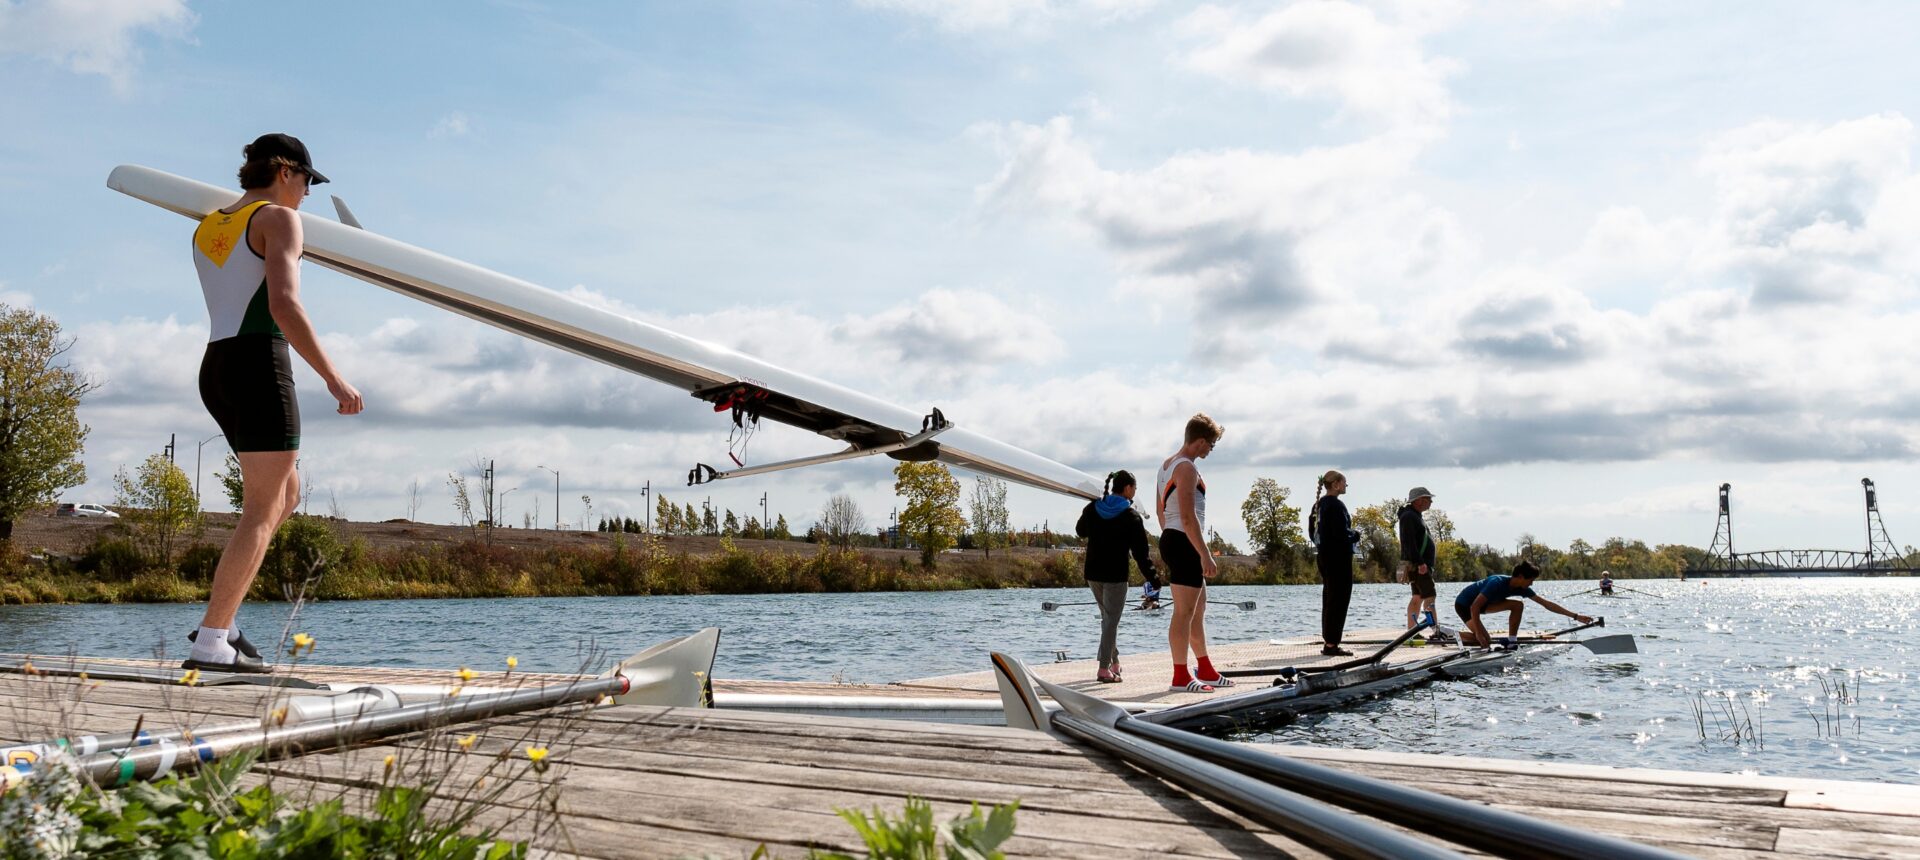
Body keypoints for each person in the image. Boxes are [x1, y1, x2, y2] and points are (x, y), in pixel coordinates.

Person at [183, 134, 363, 672]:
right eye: (307, 180)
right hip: (259, 362)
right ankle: (212, 641)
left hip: (218, 365)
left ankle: (224, 620)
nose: (307, 193)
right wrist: (333, 378)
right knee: (263, 508)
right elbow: (283, 303)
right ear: (285, 171)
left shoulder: (211, 225)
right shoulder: (280, 221)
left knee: (285, 495)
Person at [1158, 413, 1228, 693]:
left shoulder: (1167, 465)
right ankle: (1180, 676)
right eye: (1211, 443)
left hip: (1175, 537)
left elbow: (1161, 510)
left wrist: (1170, 537)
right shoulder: (1186, 468)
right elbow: (1188, 517)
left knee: (1197, 610)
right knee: (1184, 612)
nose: (1211, 449)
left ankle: (1206, 669)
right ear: (1200, 441)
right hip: (1184, 539)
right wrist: (1204, 553)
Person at [1076, 470, 1155, 684]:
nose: (1134, 493)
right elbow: (1141, 554)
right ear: (1128, 489)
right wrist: (1153, 578)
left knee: (1108, 619)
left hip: (1093, 574)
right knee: (1111, 621)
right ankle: (1103, 669)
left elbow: (1080, 530)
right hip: (1115, 576)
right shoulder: (1131, 516)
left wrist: (1093, 509)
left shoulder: (1094, 507)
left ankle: (1115, 662)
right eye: (1135, 489)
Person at [1455, 561, 1593, 649]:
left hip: (1485, 605)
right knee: (1484, 639)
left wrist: (1576, 616)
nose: (1531, 584)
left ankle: (1512, 641)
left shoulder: (1522, 589)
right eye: (1530, 580)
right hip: (1465, 605)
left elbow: (1547, 604)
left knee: (1518, 605)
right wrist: (1479, 633)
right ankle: (1450, 634)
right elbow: (1474, 607)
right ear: (1520, 577)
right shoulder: (1495, 582)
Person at [1308, 470, 1356, 656]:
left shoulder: (1318, 505)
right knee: (1339, 599)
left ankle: (1329, 640)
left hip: (1323, 556)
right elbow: (1341, 533)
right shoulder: (1336, 505)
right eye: (1344, 482)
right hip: (1339, 557)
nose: (1346, 486)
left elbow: (1312, 532)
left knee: (1329, 597)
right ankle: (1331, 644)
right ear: (1335, 484)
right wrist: (1355, 535)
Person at [1398, 487, 1438, 633]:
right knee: (1430, 596)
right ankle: (1435, 631)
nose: (1431, 502)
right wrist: (1420, 563)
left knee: (1418, 597)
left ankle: (1412, 631)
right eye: (1428, 499)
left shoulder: (1414, 515)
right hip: (1419, 566)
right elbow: (1409, 543)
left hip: (1419, 565)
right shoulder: (1409, 517)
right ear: (1419, 500)